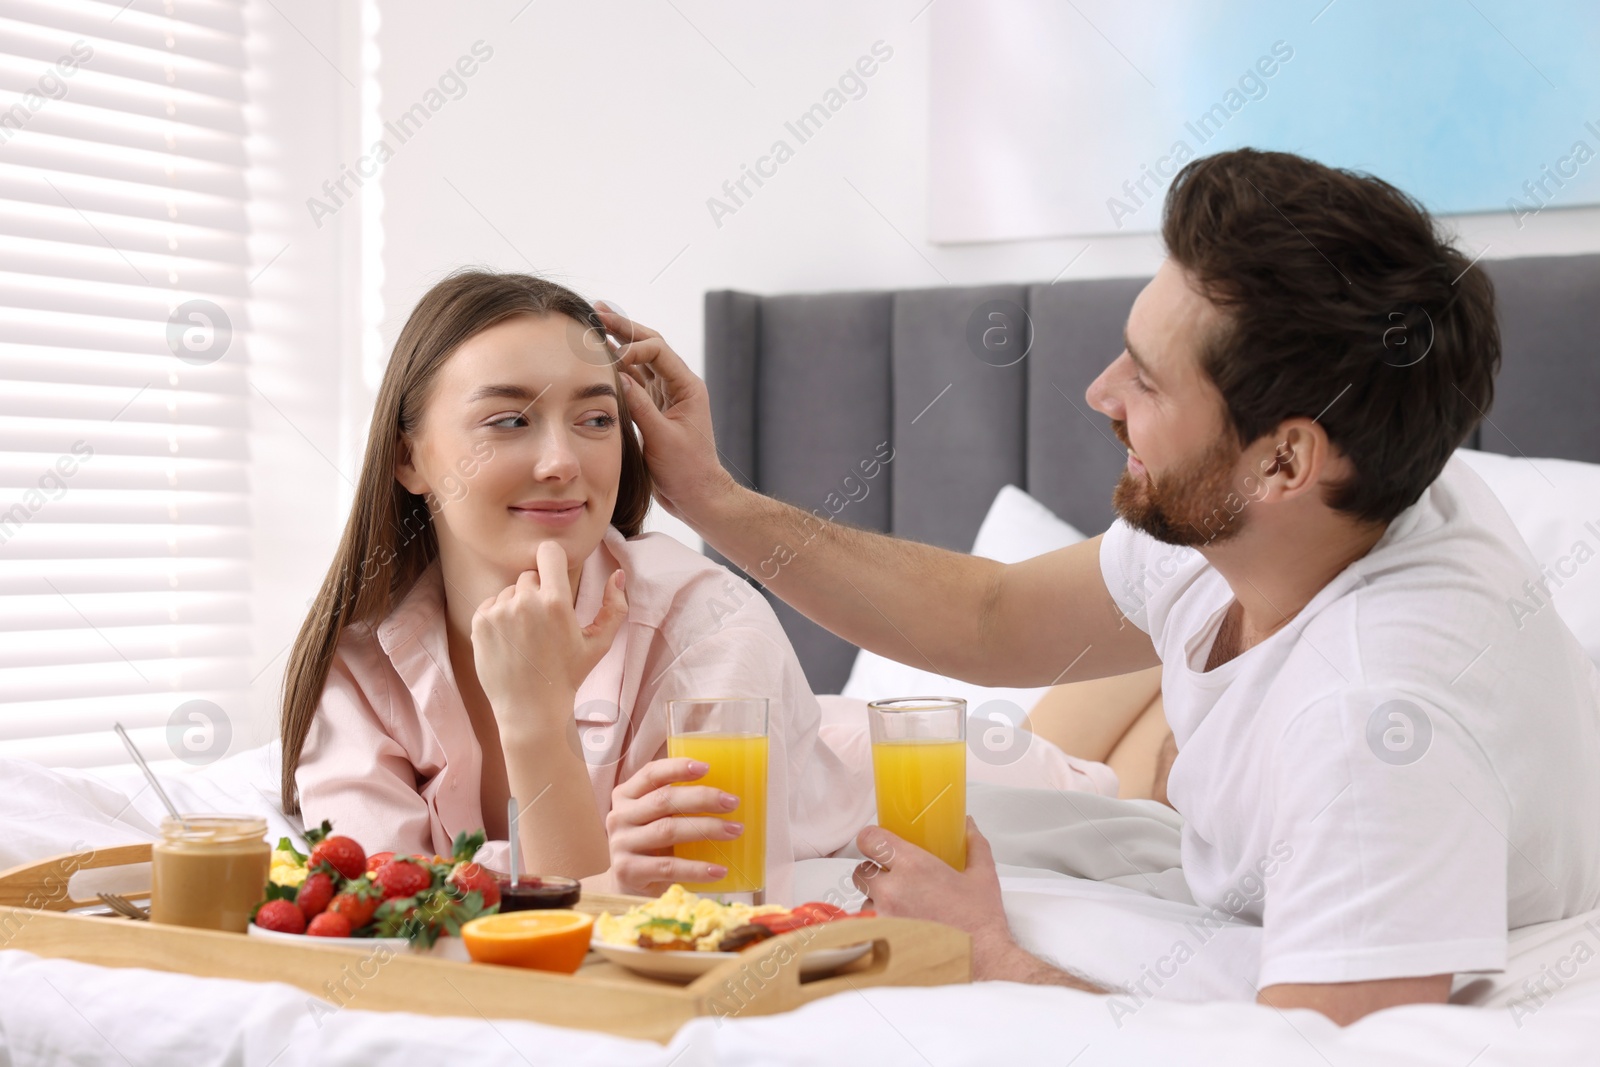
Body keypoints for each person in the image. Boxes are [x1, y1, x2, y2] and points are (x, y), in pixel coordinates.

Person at [601, 148, 1600, 1024]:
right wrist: (714, 498)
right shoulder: (1282, 505)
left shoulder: (1378, 720)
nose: (1099, 392)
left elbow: (1307, 1052)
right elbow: (990, 617)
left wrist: (990, 957)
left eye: (1149, 380)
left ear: (1285, 462)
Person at [278, 270, 876, 900]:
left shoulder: (712, 632)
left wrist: (536, 721)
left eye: (596, 419)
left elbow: (687, 928)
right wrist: (597, 880)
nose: (563, 462)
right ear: (409, 459)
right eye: (509, 421)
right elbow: (383, 904)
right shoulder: (359, 664)